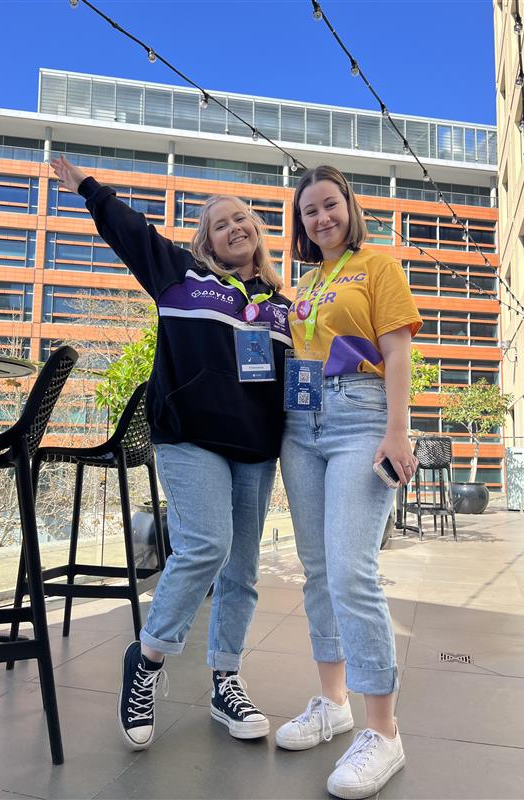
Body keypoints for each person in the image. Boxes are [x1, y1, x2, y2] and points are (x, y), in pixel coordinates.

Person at [50, 156, 292, 750]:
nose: (234, 228)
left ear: (257, 231)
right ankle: (148, 658)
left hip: (255, 448)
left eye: (242, 219)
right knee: (206, 544)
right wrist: (89, 188)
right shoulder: (180, 275)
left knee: (242, 570)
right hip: (189, 436)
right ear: (205, 240)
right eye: (219, 224)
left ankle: (226, 681)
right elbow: (130, 231)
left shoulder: (284, 307)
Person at [276, 165, 422, 799]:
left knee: (350, 570)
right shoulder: (306, 282)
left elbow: (397, 351)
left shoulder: (377, 267)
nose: (321, 218)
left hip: (361, 417)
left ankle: (383, 731)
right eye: (309, 210)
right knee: (316, 569)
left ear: (349, 207)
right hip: (300, 423)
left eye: (329, 204)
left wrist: (398, 430)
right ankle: (333, 703)